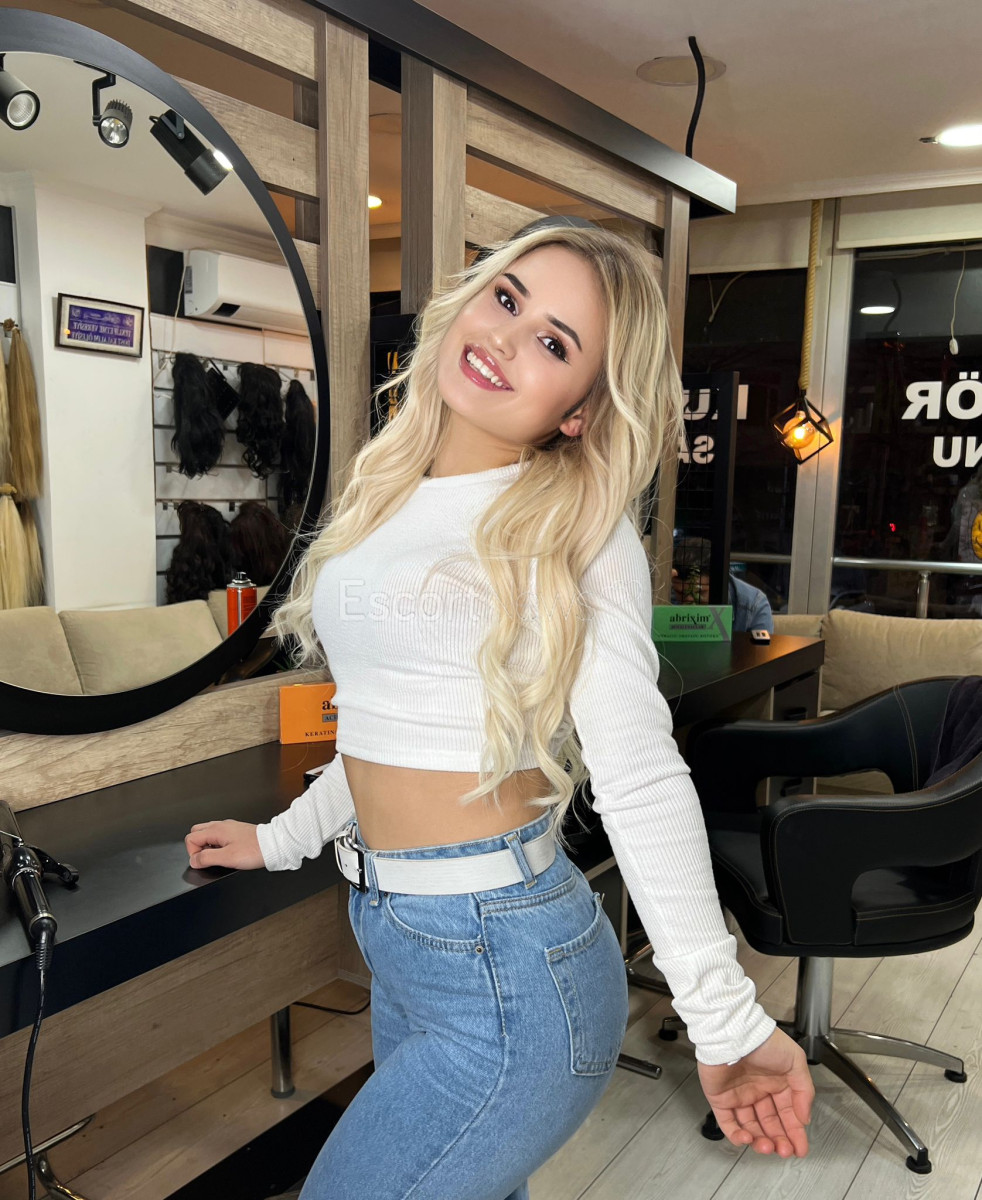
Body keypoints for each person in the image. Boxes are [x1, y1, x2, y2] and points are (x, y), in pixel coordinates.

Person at [185, 218, 814, 1200]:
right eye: (507, 298)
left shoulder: (576, 527)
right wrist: (281, 840)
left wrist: (726, 1020)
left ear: (580, 409)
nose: (506, 338)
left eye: (554, 343)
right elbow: (385, 727)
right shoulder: (385, 492)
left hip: (506, 968)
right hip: (404, 940)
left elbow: (642, 777)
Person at [672, 536, 775, 634]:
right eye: (681, 593)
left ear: (719, 582)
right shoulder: (665, 594)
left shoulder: (754, 605)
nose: (690, 605)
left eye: (699, 592)